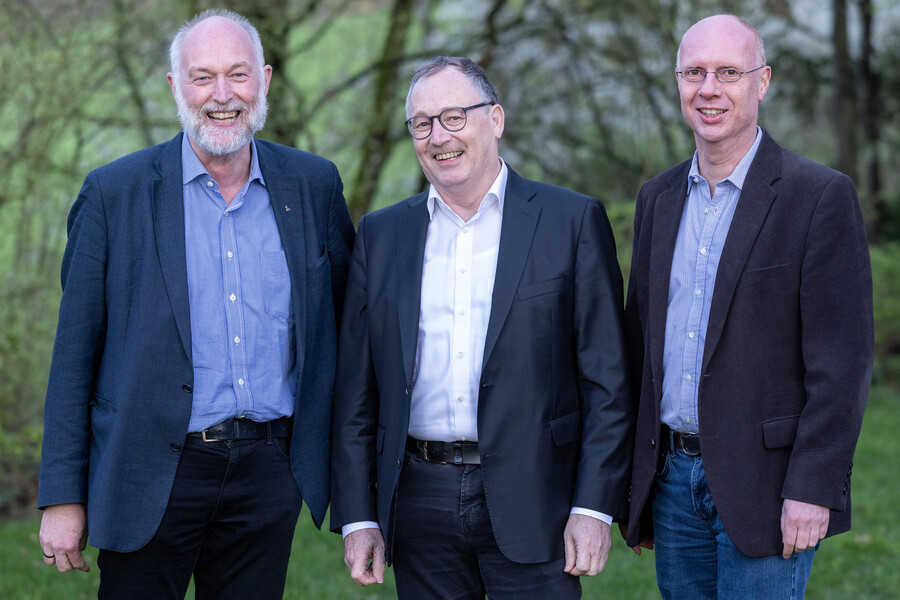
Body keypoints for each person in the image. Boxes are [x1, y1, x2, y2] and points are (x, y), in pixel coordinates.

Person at [36, 9, 354, 598]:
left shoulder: (313, 186)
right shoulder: (114, 193)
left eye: (237, 75)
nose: (222, 95)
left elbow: (344, 333)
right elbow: (75, 353)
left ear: (263, 79)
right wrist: (62, 494)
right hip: (149, 469)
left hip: (269, 473)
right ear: (174, 86)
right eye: (202, 76)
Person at [330, 56, 633, 600]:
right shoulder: (381, 235)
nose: (437, 136)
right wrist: (358, 516)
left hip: (537, 495)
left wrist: (593, 507)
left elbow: (608, 383)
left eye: (453, 117)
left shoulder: (569, 221)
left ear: (494, 119)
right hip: (419, 497)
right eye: (421, 123)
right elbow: (356, 391)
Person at [623, 14, 874, 600]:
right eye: (695, 72)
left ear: (762, 82)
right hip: (672, 481)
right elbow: (640, 347)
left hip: (768, 485)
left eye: (729, 73)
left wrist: (813, 487)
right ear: (678, 81)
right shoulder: (657, 198)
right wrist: (633, 483)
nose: (709, 89)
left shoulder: (819, 197)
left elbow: (842, 363)